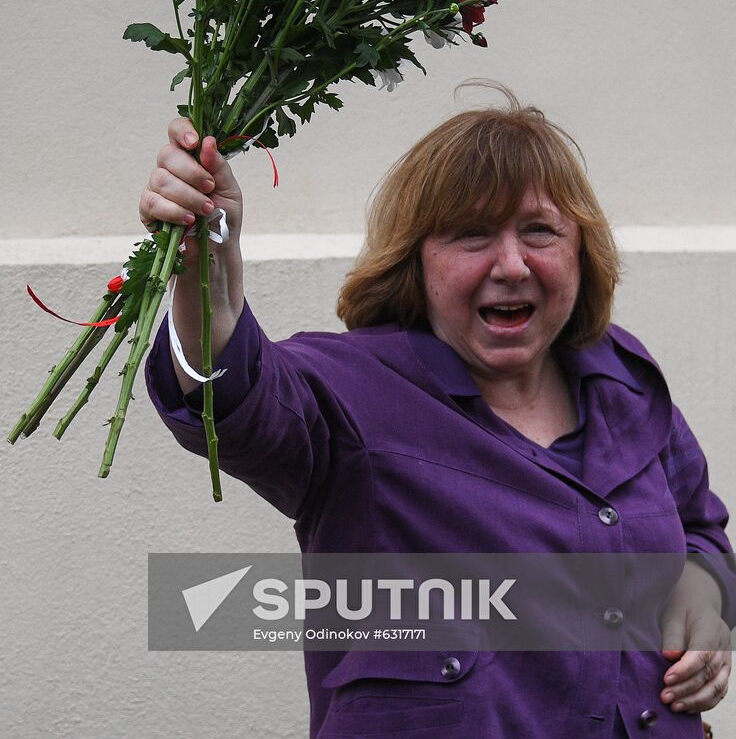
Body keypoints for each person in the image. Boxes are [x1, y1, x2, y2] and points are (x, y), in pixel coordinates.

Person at [142, 88, 734, 738]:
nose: (511, 264)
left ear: (579, 251)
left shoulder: (624, 378)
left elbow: (698, 524)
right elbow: (234, 398)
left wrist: (705, 588)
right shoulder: (351, 394)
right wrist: (209, 271)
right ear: (416, 260)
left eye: (539, 230)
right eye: (471, 234)